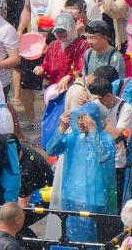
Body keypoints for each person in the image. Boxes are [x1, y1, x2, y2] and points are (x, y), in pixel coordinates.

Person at [46, 101, 116, 242]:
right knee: (71, 239)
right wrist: (61, 128)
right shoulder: (73, 137)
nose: (80, 122)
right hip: (71, 196)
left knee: (91, 239)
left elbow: (103, 158)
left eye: (84, 118)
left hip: (94, 198)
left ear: (94, 119)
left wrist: (93, 132)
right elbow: (51, 150)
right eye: (78, 118)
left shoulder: (106, 139)